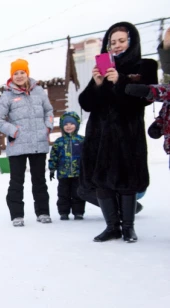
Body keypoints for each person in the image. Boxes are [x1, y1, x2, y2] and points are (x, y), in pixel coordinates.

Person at [78, 22, 158, 243]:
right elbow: (85, 103)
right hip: (99, 135)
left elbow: (147, 97)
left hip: (127, 134)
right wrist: (96, 84)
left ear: (132, 42)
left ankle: (128, 228)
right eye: (112, 42)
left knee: (127, 181)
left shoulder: (145, 66)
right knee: (102, 182)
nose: (116, 46)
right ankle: (111, 226)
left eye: (121, 41)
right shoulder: (103, 69)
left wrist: (121, 81)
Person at [0, 59, 54, 227]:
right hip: (17, 145)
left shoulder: (39, 91)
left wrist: (47, 127)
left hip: (38, 143)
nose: (19, 76)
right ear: (11, 76)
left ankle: (43, 212)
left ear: (27, 74)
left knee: (39, 180)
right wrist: (13, 131)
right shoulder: (7, 96)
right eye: (15, 73)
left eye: (22, 72)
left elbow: (49, 111)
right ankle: (17, 215)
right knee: (16, 181)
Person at [48, 112, 85, 220]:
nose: (68, 126)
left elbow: (87, 156)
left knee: (78, 193)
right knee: (63, 194)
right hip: (63, 174)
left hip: (78, 173)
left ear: (77, 125)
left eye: (71, 124)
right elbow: (54, 156)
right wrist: (52, 168)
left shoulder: (81, 140)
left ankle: (78, 212)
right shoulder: (59, 142)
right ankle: (63, 212)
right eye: (66, 124)